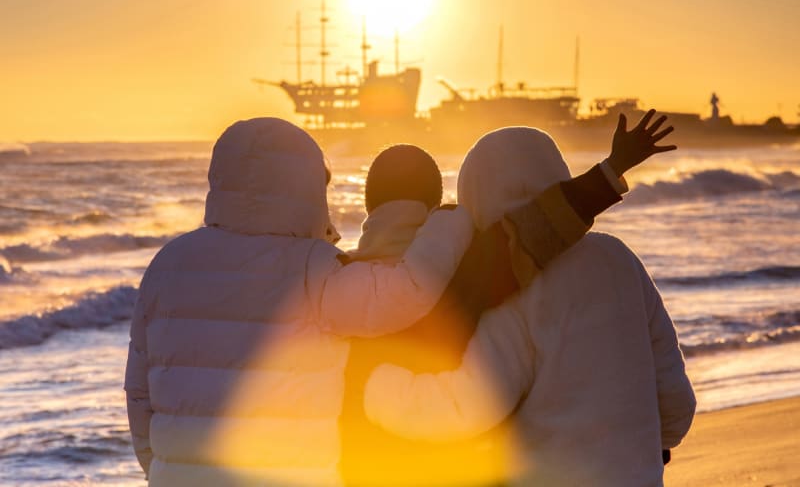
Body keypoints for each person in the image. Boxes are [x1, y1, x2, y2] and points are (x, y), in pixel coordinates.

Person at [124, 118, 476, 486]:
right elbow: (405, 293)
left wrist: (162, 468)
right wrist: (448, 224)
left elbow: (138, 393)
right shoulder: (311, 267)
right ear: (306, 189)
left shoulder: (168, 263)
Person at [341, 113, 679, 485]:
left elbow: (466, 405)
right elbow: (675, 398)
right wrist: (652, 448)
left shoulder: (516, 284)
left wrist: (375, 387)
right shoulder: (618, 260)